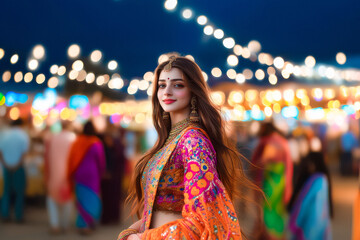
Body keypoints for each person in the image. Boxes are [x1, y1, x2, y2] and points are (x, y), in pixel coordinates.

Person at [117, 56, 252, 240]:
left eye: (178, 85)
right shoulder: (169, 140)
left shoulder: (193, 141)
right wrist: (131, 231)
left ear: (193, 91)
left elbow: (200, 223)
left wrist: (141, 238)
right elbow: (157, 209)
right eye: (162, 85)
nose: (167, 92)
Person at [251, 122, 293, 240]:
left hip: (271, 183)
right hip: (281, 182)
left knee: (269, 210)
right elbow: (289, 166)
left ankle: (271, 236)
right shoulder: (283, 142)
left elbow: (262, 161)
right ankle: (278, 235)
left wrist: (256, 163)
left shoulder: (270, 142)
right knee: (277, 211)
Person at [66, 121, 106, 234]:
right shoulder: (96, 142)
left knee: (81, 199)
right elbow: (101, 160)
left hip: (79, 173)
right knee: (92, 198)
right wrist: (102, 172)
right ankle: (87, 223)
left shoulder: (78, 141)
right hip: (92, 174)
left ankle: (82, 224)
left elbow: (71, 157)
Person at [287, 150, 333, 239]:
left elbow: (304, 202)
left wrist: (297, 221)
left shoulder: (317, 180)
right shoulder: (322, 179)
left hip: (311, 222)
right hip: (320, 221)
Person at [44, 121, 76, 233]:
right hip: (68, 174)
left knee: (52, 198)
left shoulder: (52, 138)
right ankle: (64, 225)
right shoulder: (73, 138)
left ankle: (55, 225)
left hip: (53, 172)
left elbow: (46, 157)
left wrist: (46, 173)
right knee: (67, 199)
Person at [0, 118, 30, 222]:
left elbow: (1, 152)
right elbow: (24, 154)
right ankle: (19, 215)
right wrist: (17, 165)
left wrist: (6, 164)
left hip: (6, 166)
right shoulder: (23, 136)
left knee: (6, 191)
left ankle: (5, 214)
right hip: (18, 167)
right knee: (19, 192)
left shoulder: (4, 136)